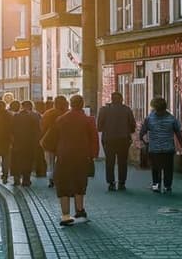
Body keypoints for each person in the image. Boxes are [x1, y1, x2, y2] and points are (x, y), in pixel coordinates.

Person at [51, 95, 99, 225]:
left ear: (70, 105)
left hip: (63, 156)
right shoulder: (88, 120)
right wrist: (93, 155)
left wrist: (56, 151)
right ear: (82, 104)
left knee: (63, 185)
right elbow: (94, 139)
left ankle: (65, 216)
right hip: (82, 156)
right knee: (80, 184)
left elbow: (51, 138)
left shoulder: (61, 119)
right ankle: (79, 211)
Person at [139, 97, 182, 193]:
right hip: (168, 149)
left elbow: (141, 133)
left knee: (156, 168)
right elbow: (178, 134)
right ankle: (167, 186)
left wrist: (145, 142)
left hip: (154, 149)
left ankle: (156, 184)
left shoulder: (149, 119)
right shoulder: (172, 119)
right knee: (168, 168)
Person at [97, 91, 137, 191]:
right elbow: (133, 125)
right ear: (122, 99)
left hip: (108, 139)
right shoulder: (127, 110)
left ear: (111, 99)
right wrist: (129, 131)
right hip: (123, 139)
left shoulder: (104, 110)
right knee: (122, 162)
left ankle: (111, 183)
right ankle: (122, 183)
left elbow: (99, 127)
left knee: (109, 161)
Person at [40, 96, 69, 188]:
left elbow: (42, 127)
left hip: (49, 141)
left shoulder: (48, 113)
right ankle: (62, 179)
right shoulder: (67, 113)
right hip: (64, 142)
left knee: (50, 163)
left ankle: (51, 180)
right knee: (63, 162)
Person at [11, 100, 42, 186]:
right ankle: (26, 180)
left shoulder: (16, 116)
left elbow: (11, 129)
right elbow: (38, 130)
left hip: (17, 142)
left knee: (16, 161)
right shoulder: (36, 116)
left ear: (22, 107)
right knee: (28, 161)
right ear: (31, 106)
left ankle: (16, 179)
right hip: (30, 143)